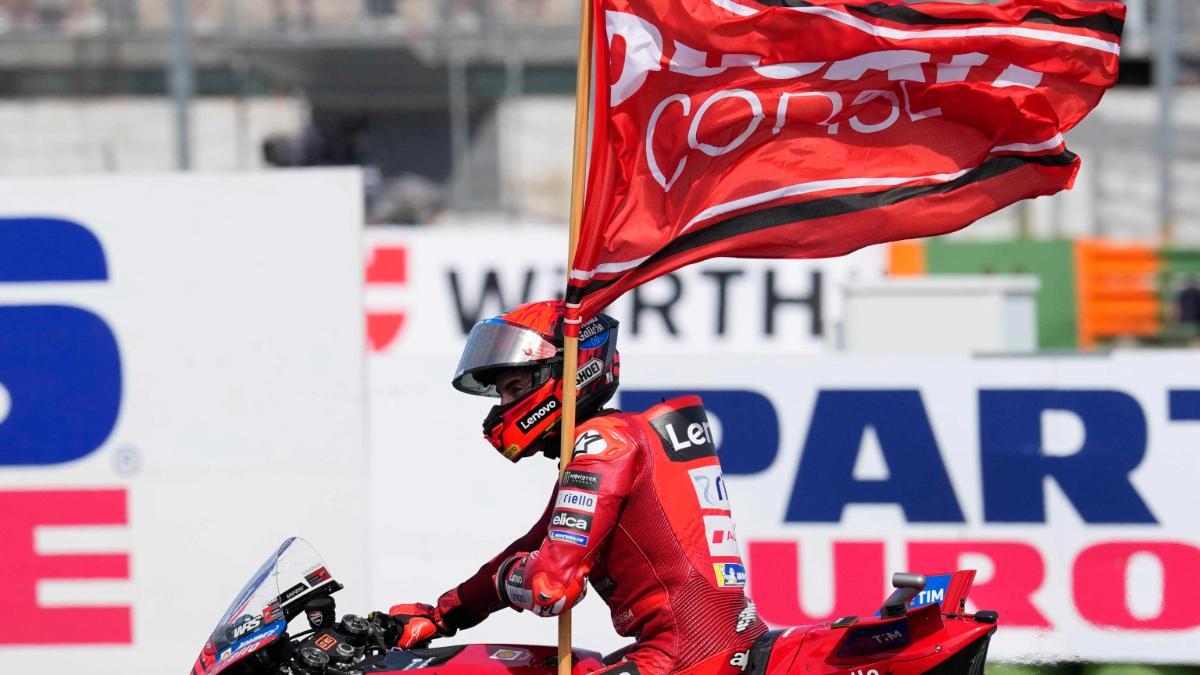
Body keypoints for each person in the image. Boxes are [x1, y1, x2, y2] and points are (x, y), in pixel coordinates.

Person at [389, 300, 767, 674]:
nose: (502, 406)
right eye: (501, 393)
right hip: (715, 649)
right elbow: (536, 544)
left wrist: (505, 582)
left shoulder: (603, 443)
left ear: (571, 372)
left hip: (682, 660)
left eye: (515, 386)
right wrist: (444, 613)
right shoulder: (630, 435)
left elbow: (550, 588)